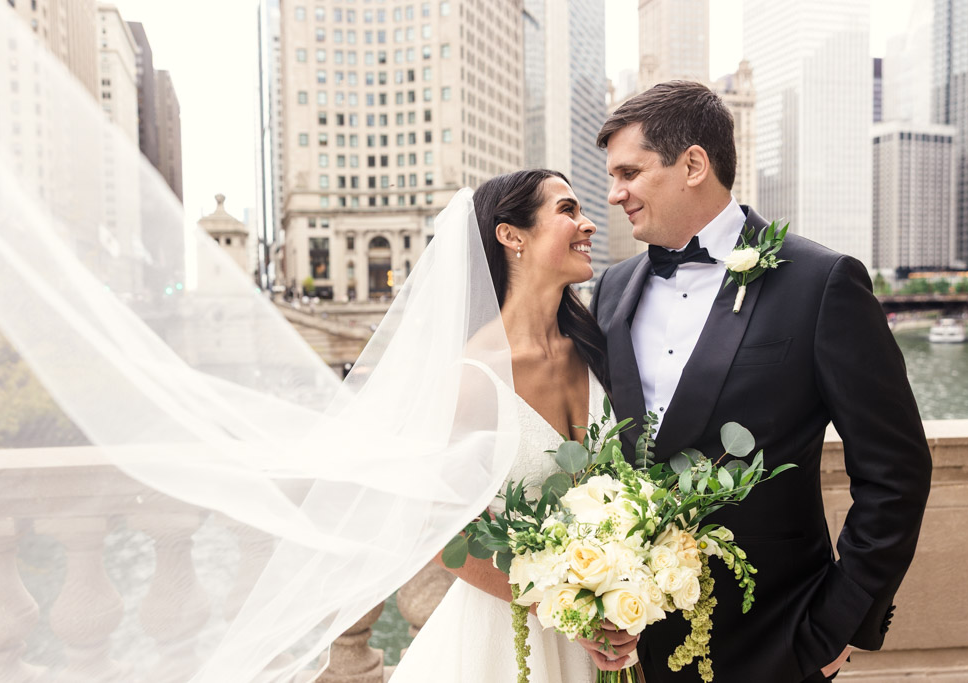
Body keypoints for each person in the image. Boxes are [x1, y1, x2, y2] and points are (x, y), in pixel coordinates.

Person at [589, 81, 932, 683]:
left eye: (629, 173)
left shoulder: (822, 283)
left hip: (778, 637)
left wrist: (840, 621)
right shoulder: (612, 287)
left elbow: (896, 470)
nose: (614, 194)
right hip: (634, 644)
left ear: (693, 163)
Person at [390, 169, 638, 682]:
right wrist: (568, 609)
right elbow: (444, 536)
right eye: (568, 210)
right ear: (511, 235)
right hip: (505, 646)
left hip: (606, 644)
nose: (588, 224)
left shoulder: (598, 348)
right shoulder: (472, 376)